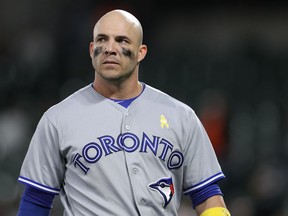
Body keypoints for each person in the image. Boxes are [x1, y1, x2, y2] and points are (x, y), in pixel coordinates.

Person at [17, 9, 231, 216]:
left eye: (122, 40)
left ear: (141, 52)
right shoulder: (57, 119)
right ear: (92, 49)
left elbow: (206, 194)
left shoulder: (181, 116)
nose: (110, 48)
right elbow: (37, 199)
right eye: (102, 39)